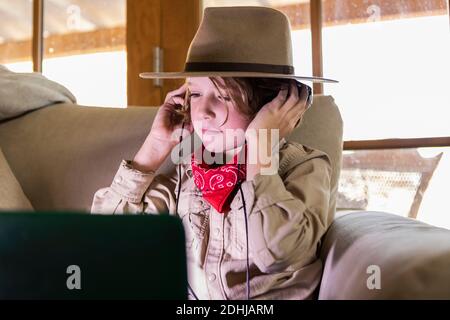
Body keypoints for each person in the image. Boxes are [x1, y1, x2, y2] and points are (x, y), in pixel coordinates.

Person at [91, 6, 338, 300]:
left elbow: (278, 254)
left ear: (270, 105)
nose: (203, 112)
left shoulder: (305, 167)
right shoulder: (188, 173)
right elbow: (106, 239)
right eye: (194, 94)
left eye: (223, 96)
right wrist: (157, 145)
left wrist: (261, 142)